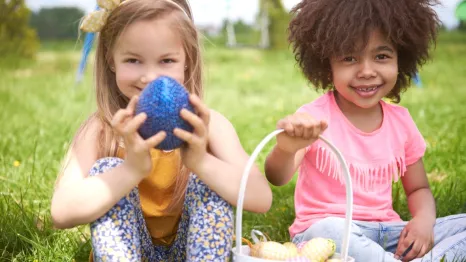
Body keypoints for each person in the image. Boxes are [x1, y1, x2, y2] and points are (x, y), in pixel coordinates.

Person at [50, 0, 272, 261]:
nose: (150, 77)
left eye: (166, 60)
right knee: (107, 169)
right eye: (133, 60)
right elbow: (61, 212)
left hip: (192, 249)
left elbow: (261, 197)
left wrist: (201, 161)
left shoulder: (207, 126)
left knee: (210, 181)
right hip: (131, 250)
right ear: (111, 61)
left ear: (186, 61)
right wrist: (130, 169)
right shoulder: (101, 129)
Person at [264, 0, 466, 261]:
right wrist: (286, 148)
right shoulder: (314, 117)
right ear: (327, 65)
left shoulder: (401, 122)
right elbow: (276, 176)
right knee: (329, 229)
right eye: (349, 58)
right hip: (328, 233)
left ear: (401, 58)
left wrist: (424, 221)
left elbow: (418, 189)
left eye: (381, 56)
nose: (367, 71)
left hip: (389, 233)